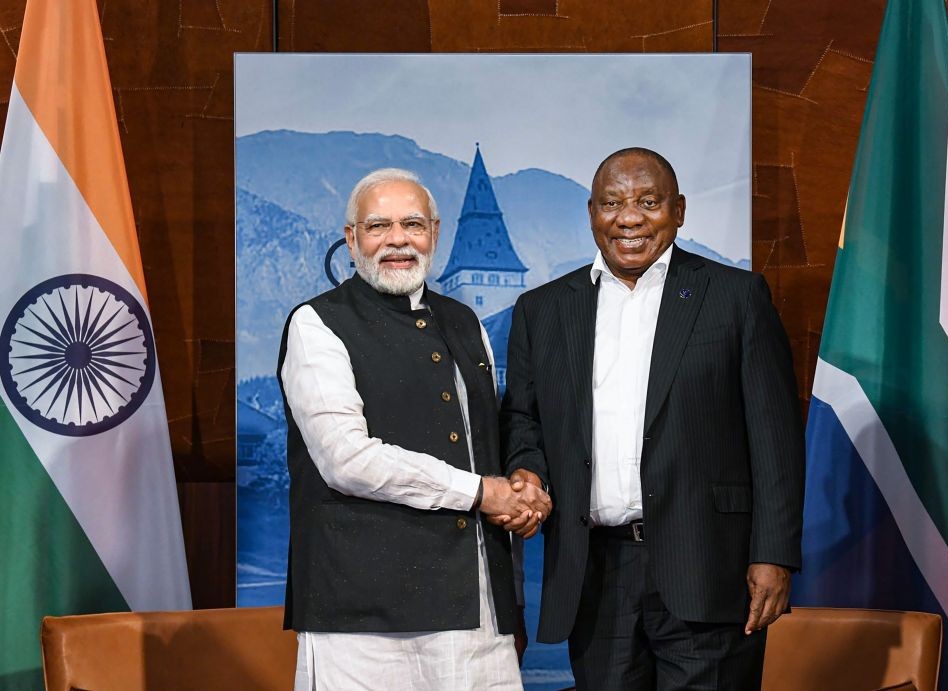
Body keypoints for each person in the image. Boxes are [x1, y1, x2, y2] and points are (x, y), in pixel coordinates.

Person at [499, 148, 805, 690]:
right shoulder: (542, 310)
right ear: (592, 212)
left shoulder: (736, 298)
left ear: (679, 210)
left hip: (709, 566)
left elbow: (775, 439)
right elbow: (524, 420)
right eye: (612, 203)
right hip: (594, 575)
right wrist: (528, 472)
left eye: (648, 201)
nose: (629, 217)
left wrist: (774, 555)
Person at [278, 168, 551, 691]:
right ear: (351, 238)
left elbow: (493, 435)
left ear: (435, 232)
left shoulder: (466, 322)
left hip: (475, 609)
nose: (398, 239)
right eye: (379, 225)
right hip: (363, 617)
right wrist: (480, 492)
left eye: (412, 224)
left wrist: (526, 484)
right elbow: (346, 460)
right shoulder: (316, 324)